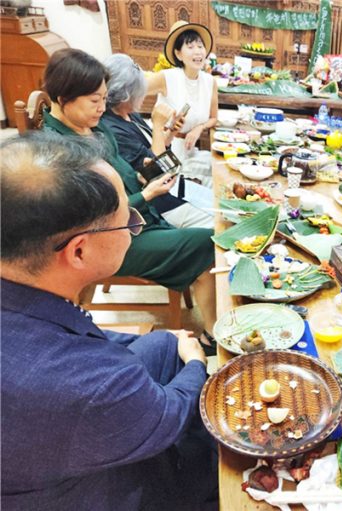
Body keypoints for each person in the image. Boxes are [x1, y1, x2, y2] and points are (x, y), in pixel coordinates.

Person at [1, 132, 216, 510]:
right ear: (79, 251)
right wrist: (197, 363)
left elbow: (70, 331)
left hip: (49, 449)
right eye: (128, 221)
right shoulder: (92, 385)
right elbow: (166, 417)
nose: (135, 228)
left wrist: (170, 345)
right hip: (96, 495)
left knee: (166, 344)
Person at [42, 48, 218, 350]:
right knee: (208, 242)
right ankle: (212, 334)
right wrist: (145, 195)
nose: (102, 107)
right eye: (95, 101)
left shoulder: (92, 128)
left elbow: (123, 169)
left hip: (138, 219)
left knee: (202, 247)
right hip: (110, 240)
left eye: (104, 98)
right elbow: (91, 220)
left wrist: (142, 177)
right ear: (63, 98)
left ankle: (211, 325)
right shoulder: (60, 151)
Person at [101, 53, 214, 229]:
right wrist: (158, 125)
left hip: (174, 186)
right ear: (125, 95)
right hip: (161, 202)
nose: (143, 96)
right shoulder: (113, 129)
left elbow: (154, 149)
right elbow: (157, 170)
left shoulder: (128, 114)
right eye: (139, 91)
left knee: (221, 191)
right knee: (219, 220)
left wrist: (170, 131)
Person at [147, 20, 218, 183]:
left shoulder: (210, 81)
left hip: (191, 151)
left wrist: (199, 128)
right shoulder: (167, 77)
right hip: (165, 151)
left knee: (220, 169)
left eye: (200, 46)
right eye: (190, 47)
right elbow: (134, 89)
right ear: (178, 54)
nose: (198, 52)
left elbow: (214, 118)